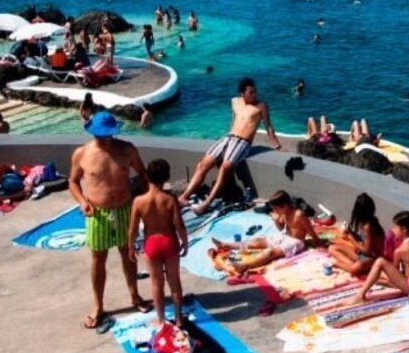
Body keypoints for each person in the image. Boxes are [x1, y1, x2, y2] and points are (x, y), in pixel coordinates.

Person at [68, 111, 152, 329]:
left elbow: (143, 175)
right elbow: (73, 182)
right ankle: (98, 305)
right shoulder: (82, 153)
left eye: (107, 135)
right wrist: (81, 202)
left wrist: (148, 203)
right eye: (99, 135)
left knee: (128, 254)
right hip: (97, 213)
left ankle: (135, 295)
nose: (103, 139)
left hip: (125, 209)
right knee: (98, 258)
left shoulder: (127, 149)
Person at [178, 78, 282, 214]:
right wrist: (226, 142)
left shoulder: (261, 106)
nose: (254, 95)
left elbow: (268, 127)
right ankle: (183, 197)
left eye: (255, 92)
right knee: (202, 165)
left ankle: (207, 203)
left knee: (225, 167)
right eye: (251, 92)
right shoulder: (235, 102)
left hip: (243, 142)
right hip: (228, 138)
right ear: (242, 93)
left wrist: (277, 145)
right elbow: (234, 121)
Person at [127, 159, 188, 329]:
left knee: (156, 283)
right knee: (174, 281)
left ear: (147, 176)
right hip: (169, 242)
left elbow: (132, 229)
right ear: (166, 177)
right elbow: (179, 225)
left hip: (151, 243)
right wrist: (185, 242)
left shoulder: (139, 201)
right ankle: (178, 318)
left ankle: (160, 320)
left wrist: (131, 246)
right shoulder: (170, 199)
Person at [211, 190, 320, 274]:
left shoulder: (299, 214)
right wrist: (276, 221)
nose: (275, 211)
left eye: (276, 209)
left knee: (269, 252)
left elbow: (310, 230)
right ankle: (227, 245)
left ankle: (243, 266)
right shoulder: (284, 213)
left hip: (296, 242)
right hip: (285, 237)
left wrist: (317, 242)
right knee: (256, 241)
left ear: (285, 206)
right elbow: (281, 228)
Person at [349, 211, 409, 305]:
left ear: (404, 229)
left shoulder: (400, 250)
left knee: (380, 262)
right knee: (380, 275)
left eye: (395, 227)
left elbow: (393, 274)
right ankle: (373, 281)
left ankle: (360, 295)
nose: (392, 230)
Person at [329, 193, 385, 276]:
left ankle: (342, 265)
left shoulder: (368, 226)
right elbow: (364, 240)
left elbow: (368, 251)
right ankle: (354, 266)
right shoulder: (367, 222)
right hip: (362, 255)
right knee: (332, 248)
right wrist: (351, 234)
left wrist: (351, 239)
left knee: (355, 269)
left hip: (373, 258)